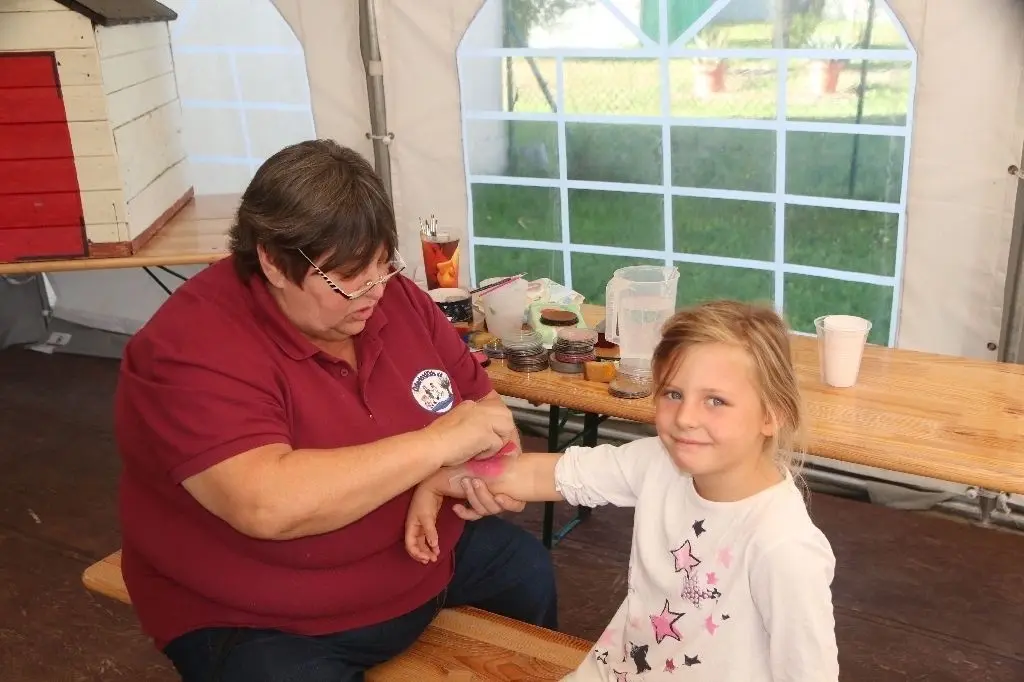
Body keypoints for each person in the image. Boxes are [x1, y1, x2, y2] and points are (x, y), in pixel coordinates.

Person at [114, 139, 557, 682]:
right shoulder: (189, 348)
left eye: (382, 265)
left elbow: (487, 414)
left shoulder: (394, 299)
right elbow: (266, 504)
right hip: (261, 617)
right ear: (273, 262)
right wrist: (437, 447)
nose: (373, 292)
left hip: (420, 555)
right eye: (348, 276)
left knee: (525, 569)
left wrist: (443, 479)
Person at [406, 300, 840, 681]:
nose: (685, 417)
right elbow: (542, 475)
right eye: (673, 393)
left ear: (773, 415)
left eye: (715, 401)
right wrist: (437, 481)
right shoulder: (658, 462)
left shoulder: (785, 547)